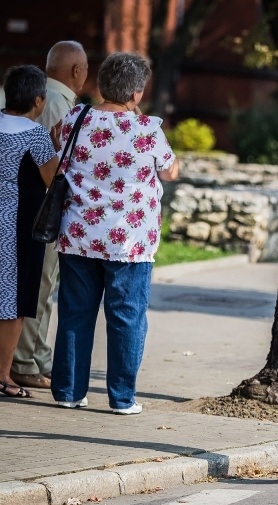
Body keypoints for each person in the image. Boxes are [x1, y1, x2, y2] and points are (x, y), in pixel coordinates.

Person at [50, 52, 179, 414]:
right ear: (136, 93)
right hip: (129, 242)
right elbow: (170, 172)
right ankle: (122, 398)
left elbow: (58, 149)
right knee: (126, 317)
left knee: (75, 313)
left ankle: (68, 392)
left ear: (101, 85)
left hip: (78, 233)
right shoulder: (147, 129)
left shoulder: (76, 117)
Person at [11, 41, 89, 392]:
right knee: (37, 287)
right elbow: (51, 170)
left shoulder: (44, 97)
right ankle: (25, 361)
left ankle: (32, 357)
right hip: (39, 213)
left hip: (20, 210)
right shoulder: (58, 105)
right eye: (86, 68)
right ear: (76, 71)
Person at [0, 65, 60, 398]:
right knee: (13, 301)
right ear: (38, 100)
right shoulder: (35, 135)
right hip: (16, 226)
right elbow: (52, 180)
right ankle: (4, 375)